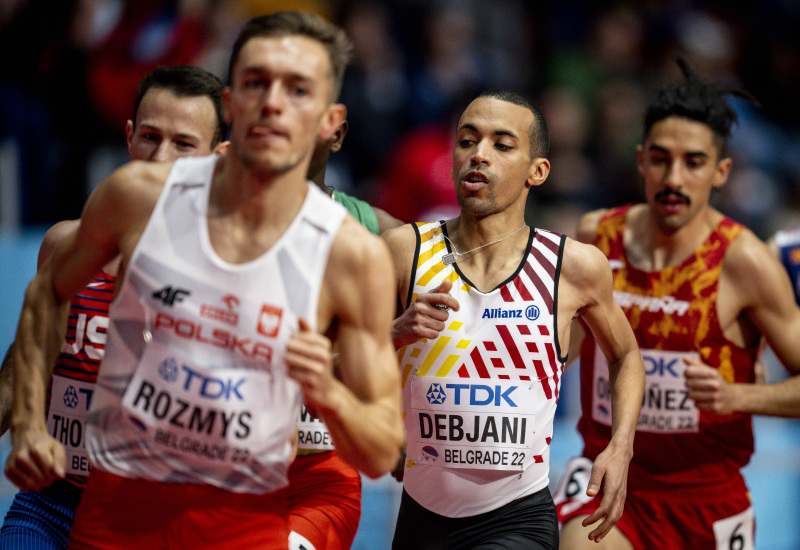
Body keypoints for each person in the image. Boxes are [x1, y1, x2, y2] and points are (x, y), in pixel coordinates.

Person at [4, 11, 404, 550]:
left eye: (298, 89)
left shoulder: (351, 256)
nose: (273, 101)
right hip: (112, 527)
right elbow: (46, 292)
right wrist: (29, 422)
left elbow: (382, 448)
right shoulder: (137, 198)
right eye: (257, 82)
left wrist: (328, 393)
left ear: (330, 120)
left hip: (240, 533)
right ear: (232, 101)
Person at [382, 89, 645, 549]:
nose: (479, 155)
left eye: (502, 145)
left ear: (537, 171)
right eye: (467, 141)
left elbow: (625, 355)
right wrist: (392, 335)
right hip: (419, 516)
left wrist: (620, 448)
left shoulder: (573, 267)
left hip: (516, 520)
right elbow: (337, 360)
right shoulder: (405, 250)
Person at [555, 59, 800, 550]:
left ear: (721, 171)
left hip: (705, 500)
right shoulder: (595, 237)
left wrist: (739, 398)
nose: (674, 178)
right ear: (641, 160)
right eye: (662, 159)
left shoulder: (743, 261)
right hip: (608, 480)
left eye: (693, 163)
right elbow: (556, 351)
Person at [0, 64, 229, 550]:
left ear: (218, 157)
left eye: (183, 144)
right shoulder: (65, 246)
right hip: (49, 503)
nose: (159, 157)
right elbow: (19, 375)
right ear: (128, 137)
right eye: (149, 136)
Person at [285, 121, 402, 550]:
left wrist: (402, 424)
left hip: (322, 468)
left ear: (336, 132)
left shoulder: (380, 233)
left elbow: (437, 334)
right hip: (227, 468)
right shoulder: (219, 217)